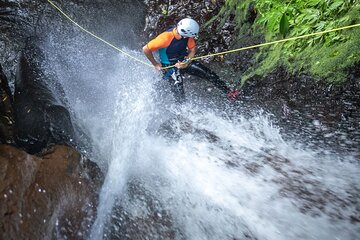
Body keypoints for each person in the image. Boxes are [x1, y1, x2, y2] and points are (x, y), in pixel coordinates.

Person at [143, 18, 238, 103]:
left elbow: (192, 50)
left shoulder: (187, 36)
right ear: (185, 34)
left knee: (209, 75)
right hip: (170, 67)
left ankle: (229, 92)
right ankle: (182, 113)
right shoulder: (164, 38)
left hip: (184, 60)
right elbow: (146, 49)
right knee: (179, 92)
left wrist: (186, 62)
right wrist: (155, 64)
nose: (191, 38)